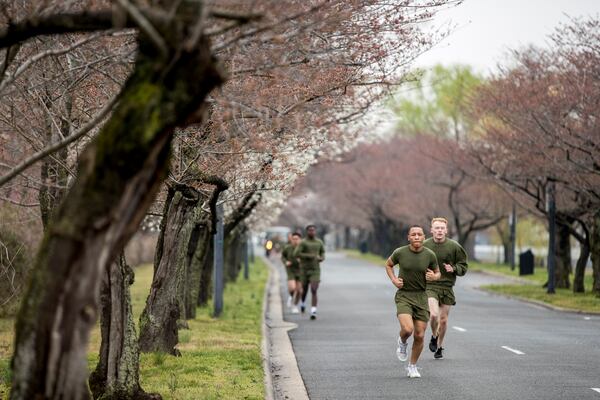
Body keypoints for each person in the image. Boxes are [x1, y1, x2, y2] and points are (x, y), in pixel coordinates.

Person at [385, 225, 440, 378]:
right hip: (404, 295)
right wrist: (394, 280)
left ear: (423, 237)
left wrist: (434, 277)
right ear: (408, 237)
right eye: (413, 234)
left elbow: (437, 272)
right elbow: (388, 265)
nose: (416, 237)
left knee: (420, 335)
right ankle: (402, 341)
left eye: (419, 234)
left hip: (421, 296)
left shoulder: (429, 255)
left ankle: (412, 366)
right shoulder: (400, 252)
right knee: (408, 329)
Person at [424, 217, 468, 360]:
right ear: (431, 230)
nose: (439, 231)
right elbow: (416, 264)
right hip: (431, 286)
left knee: (443, 320)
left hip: (447, 287)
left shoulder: (454, 246)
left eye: (442, 228)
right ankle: (434, 336)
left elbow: (463, 266)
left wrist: (454, 268)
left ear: (446, 230)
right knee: (434, 315)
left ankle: (439, 346)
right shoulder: (424, 246)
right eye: (437, 228)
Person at [294, 225, 325, 320]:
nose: (312, 232)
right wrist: (309, 256)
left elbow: (322, 253)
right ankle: (302, 303)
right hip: (304, 269)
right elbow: (296, 253)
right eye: (310, 230)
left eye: (313, 230)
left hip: (315, 270)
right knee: (305, 289)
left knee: (314, 289)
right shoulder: (303, 242)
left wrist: (321, 258)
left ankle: (313, 310)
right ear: (307, 232)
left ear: (315, 232)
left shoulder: (319, 242)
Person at [281, 232, 303, 314]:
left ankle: (295, 305)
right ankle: (291, 296)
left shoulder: (303, 248)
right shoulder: (288, 248)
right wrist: (286, 262)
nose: (295, 241)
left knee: (300, 291)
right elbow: (283, 256)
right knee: (292, 288)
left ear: (300, 240)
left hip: (301, 271)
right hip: (290, 270)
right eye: (293, 239)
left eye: (297, 239)